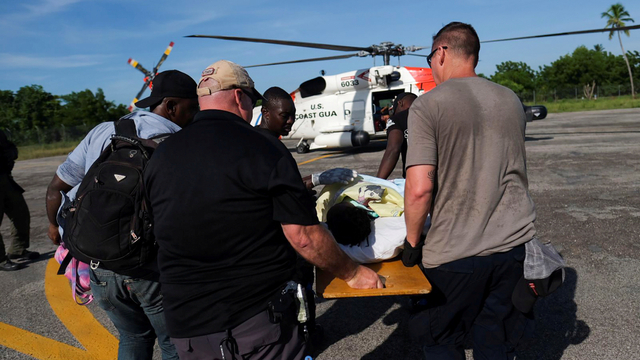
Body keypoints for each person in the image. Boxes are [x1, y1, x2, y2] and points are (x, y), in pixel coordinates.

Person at [144, 60, 383, 360]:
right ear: (238, 96)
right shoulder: (263, 147)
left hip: (187, 330)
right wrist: (352, 273)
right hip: (253, 326)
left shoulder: (162, 153)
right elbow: (303, 236)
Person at [403, 22, 536, 359]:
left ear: (442, 52)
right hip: (512, 248)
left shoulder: (427, 105)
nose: (431, 65)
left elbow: (419, 189)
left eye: (431, 56)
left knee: (442, 339)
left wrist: (412, 242)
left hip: (454, 254)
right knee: (494, 337)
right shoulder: (510, 99)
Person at [45, 70, 199, 360]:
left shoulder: (104, 130)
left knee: (132, 336)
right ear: (171, 106)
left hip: (100, 266)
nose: (194, 116)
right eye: (192, 108)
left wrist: (55, 228)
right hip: (151, 269)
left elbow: (56, 187)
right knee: (173, 344)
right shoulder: (179, 143)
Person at [0, 130, 38, 271]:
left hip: (4, 177)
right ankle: (1, 259)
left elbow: (9, 146)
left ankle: (18, 249)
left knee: (20, 213)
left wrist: (11, 153)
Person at [376, 92, 417, 179]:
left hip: (415, 178)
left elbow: (393, 149)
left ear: (400, 103)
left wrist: (378, 181)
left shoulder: (396, 119)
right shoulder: (432, 114)